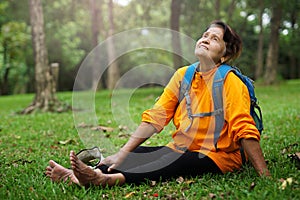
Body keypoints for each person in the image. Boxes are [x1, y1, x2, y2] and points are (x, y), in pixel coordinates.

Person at [46, 20, 271, 187]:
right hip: (181, 147)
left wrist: (265, 176)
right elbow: (156, 117)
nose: (205, 39)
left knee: (175, 161)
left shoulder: (230, 81)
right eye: (205, 35)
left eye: (215, 39)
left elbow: (244, 128)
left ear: (224, 55)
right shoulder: (183, 75)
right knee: (138, 153)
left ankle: (106, 179)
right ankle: (74, 176)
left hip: (219, 155)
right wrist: (123, 153)